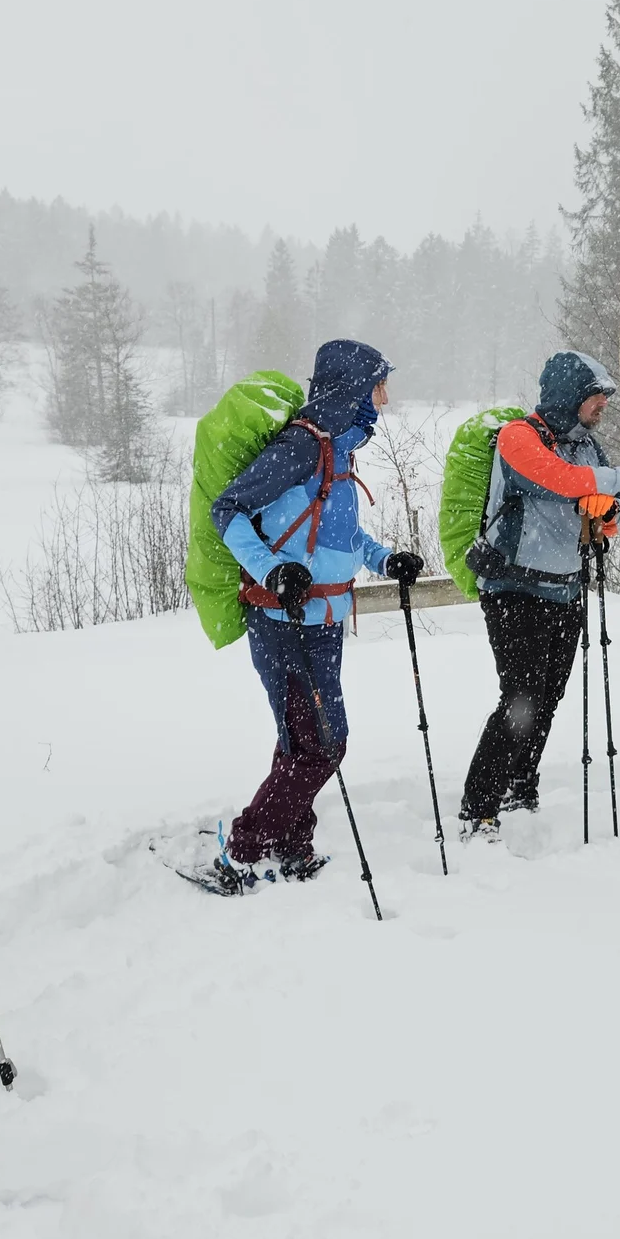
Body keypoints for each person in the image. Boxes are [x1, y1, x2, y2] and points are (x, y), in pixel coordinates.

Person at [206, 338, 420, 893]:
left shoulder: (338, 453)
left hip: (323, 620)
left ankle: (292, 841)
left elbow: (340, 535)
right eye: (379, 387)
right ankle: (242, 851)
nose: (386, 400)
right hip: (283, 621)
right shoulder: (302, 447)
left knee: (302, 739)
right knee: (325, 743)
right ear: (353, 390)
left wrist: (383, 557)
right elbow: (226, 509)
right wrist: (273, 569)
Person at [455, 350, 620, 840]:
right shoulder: (519, 437)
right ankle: (478, 806)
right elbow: (555, 481)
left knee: (548, 698)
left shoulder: (588, 449)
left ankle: (519, 783)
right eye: (595, 395)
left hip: (565, 590)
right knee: (520, 698)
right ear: (568, 395)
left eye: (603, 397)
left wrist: (607, 514)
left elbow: (597, 512)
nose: (602, 405)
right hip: (513, 589)